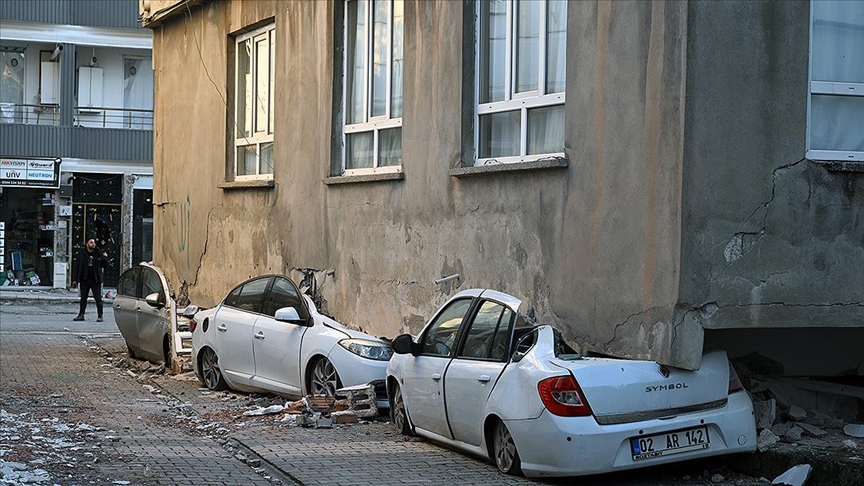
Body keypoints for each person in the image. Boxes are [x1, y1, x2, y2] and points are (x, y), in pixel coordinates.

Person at [72, 238, 108, 322]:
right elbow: (77, 266)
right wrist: (75, 279)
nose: (93, 244)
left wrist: (105, 258)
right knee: (83, 298)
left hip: (95, 279)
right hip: (84, 278)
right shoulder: (82, 253)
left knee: (98, 298)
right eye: (91, 242)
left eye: (94, 242)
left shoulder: (98, 253)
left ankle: (100, 315)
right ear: (87, 244)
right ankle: (81, 315)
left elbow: (105, 266)